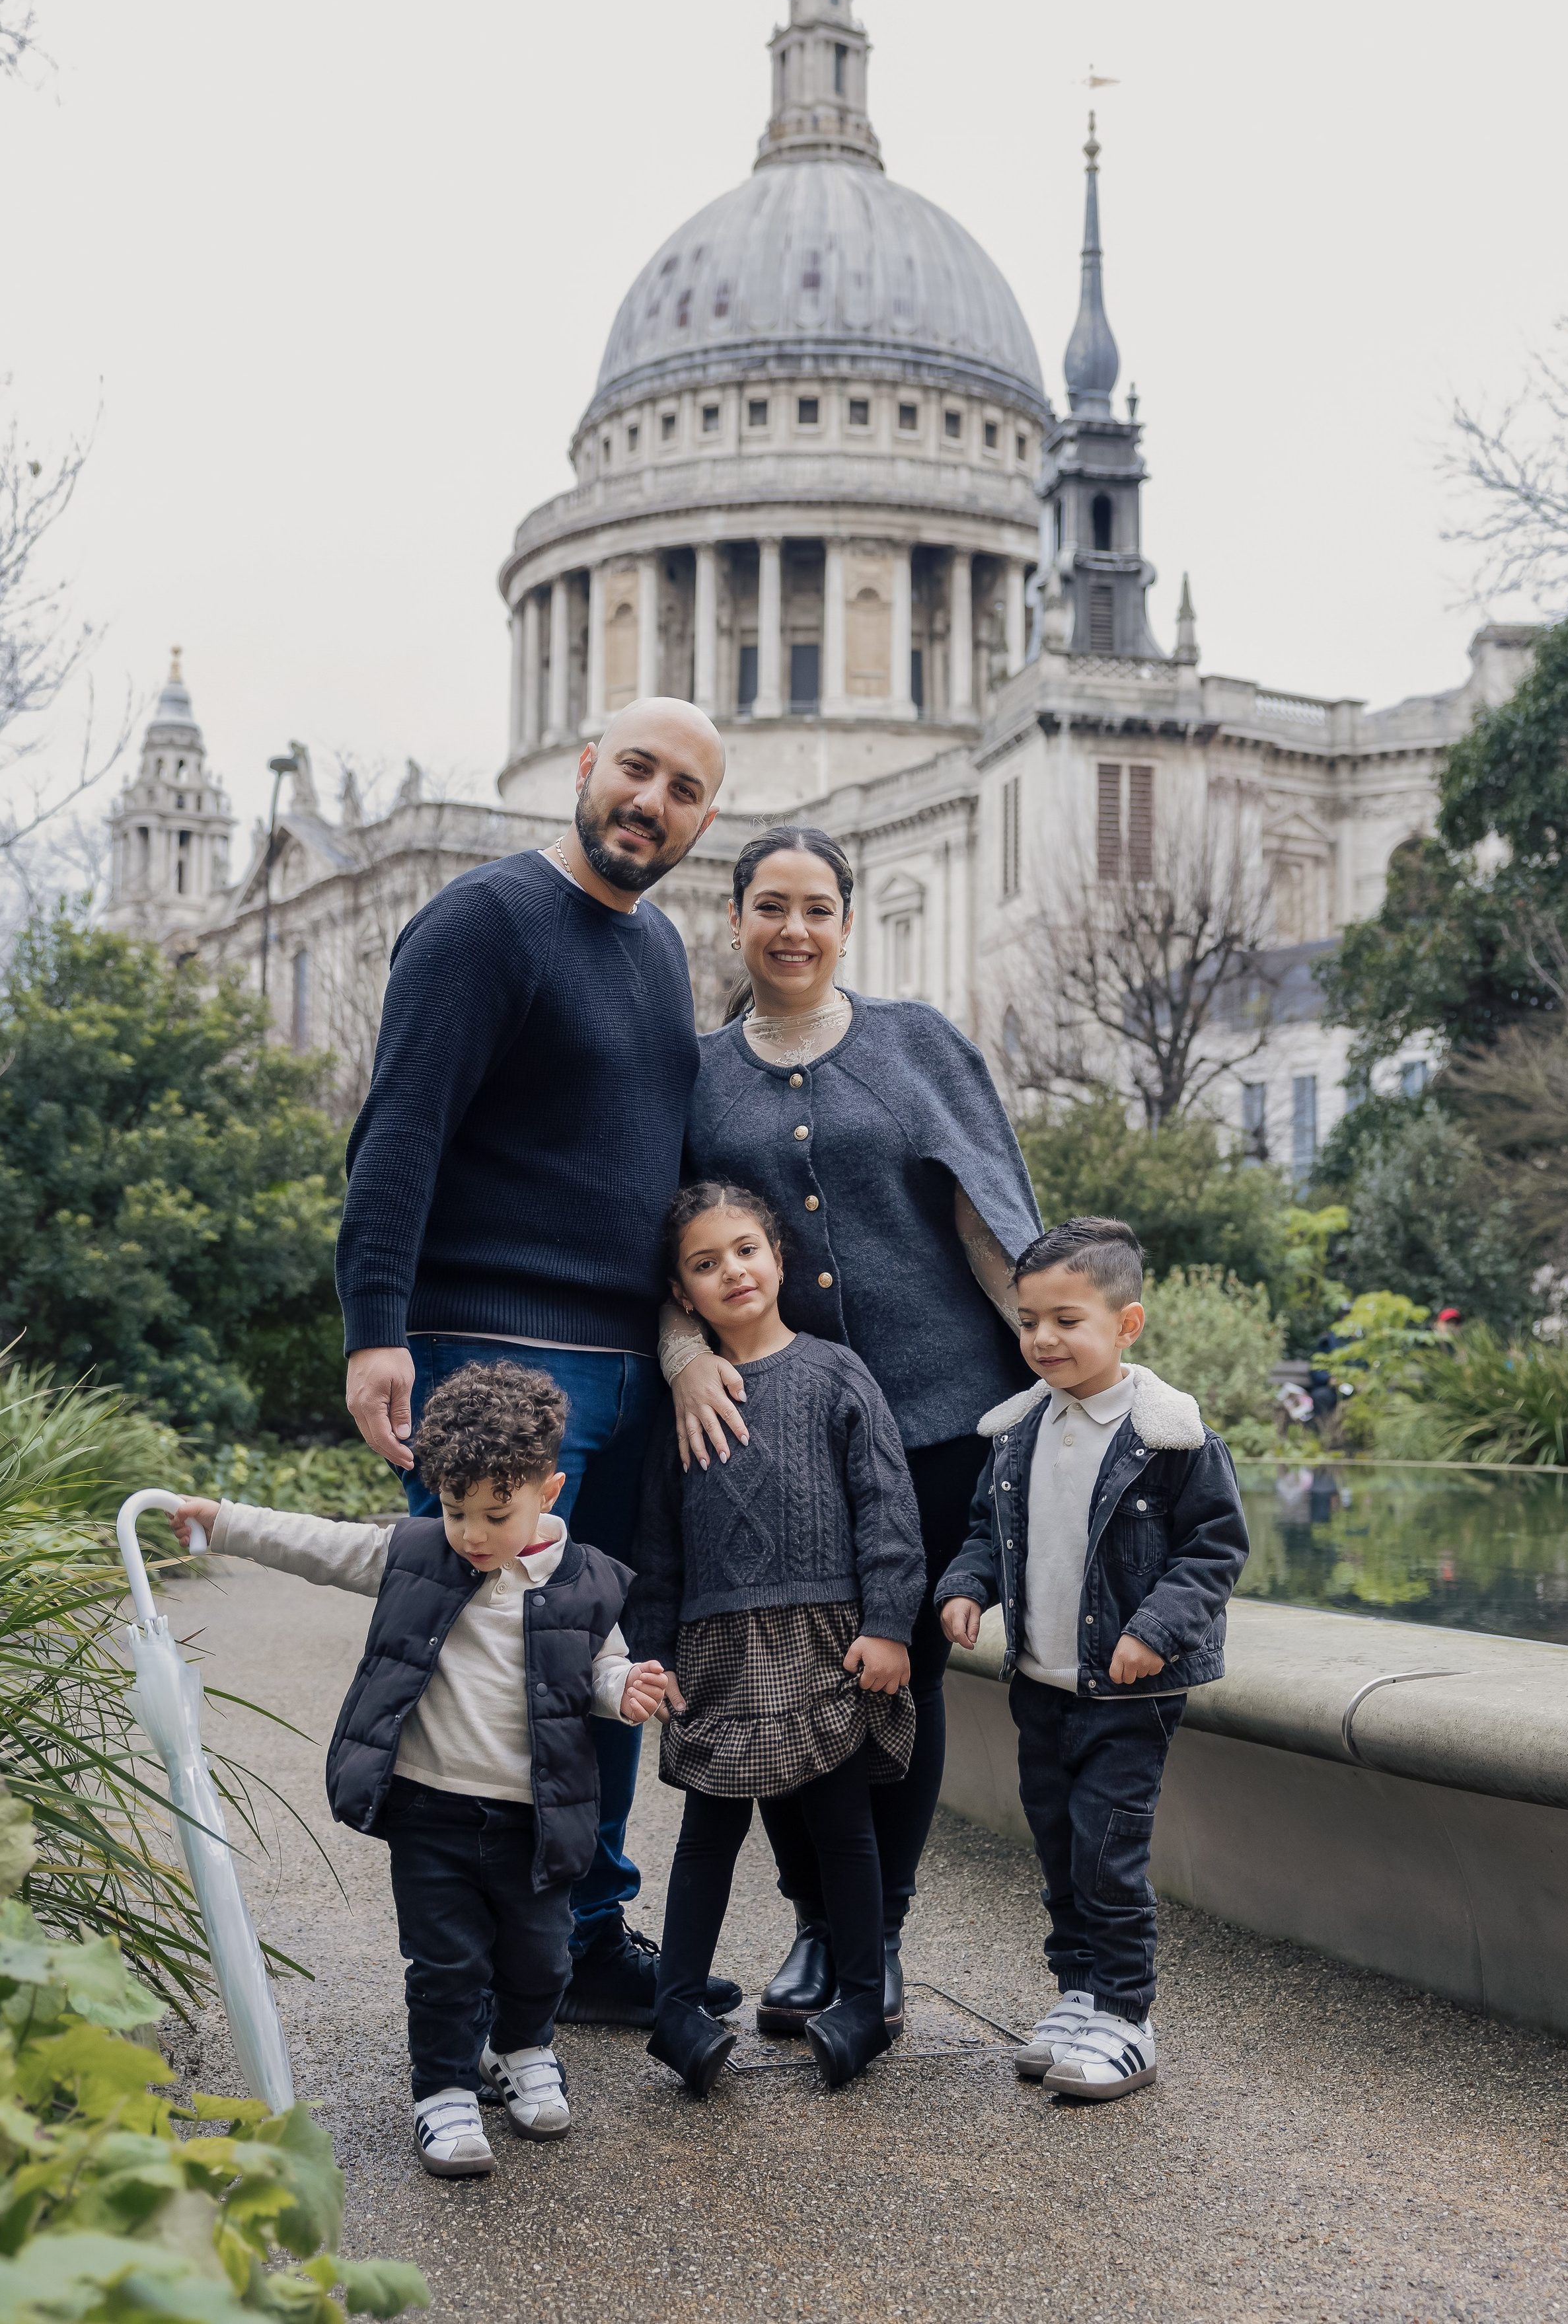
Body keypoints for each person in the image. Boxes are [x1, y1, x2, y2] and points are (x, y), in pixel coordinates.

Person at [336, 696, 739, 2027]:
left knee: (598, 1656)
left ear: (700, 818)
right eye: (634, 769)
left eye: (683, 788)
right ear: (582, 769)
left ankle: (579, 1928)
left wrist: (686, 1340)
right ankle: (480, 1973)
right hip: (489, 1360)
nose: (651, 801)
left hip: (624, 1365)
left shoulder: (658, 951)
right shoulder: (482, 921)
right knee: (486, 1676)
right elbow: (398, 1133)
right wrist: (373, 1326)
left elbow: (667, 1173)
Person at [667, 824, 1039, 2034]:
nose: (793, 930)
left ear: (846, 920)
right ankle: (817, 1923)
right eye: (770, 906)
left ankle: (873, 1939)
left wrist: (1058, 1375)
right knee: (781, 1671)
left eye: (817, 907)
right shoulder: (698, 1072)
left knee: (900, 1673)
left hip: (938, 1417)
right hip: (772, 1431)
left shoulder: (915, 1043)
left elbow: (993, 1220)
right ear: (735, 921)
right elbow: (658, 1246)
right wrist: (682, 1360)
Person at [168, 1362, 670, 2178]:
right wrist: (221, 1521)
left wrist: (628, 1691)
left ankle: (520, 2049)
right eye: (453, 1508)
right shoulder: (415, 1554)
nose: (471, 1532)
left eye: (494, 1513)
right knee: (446, 1963)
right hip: (431, 1812)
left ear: (550, 1490)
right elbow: (317, 1543)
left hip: (535, 1818)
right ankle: (442, 2088)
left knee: (543, 1957)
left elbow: (602, 1674)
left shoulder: (591, 1584)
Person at [937, 1215, 1250, 2102]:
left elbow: (1214, 1553)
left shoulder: (1171, 1440)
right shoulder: (1018, 1433)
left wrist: (1154, 1630)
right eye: (1030, 1321)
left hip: (1127, 1694)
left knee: (1109, 1852)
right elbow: (986, 1536)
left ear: (1127, 1324)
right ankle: (1078, 1993)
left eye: (1066, 1319)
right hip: (1040, 1684)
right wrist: (966, 1586)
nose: (1043, 1338)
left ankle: (1126, 2015)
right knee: (1060, 1846)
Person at [627, 1182, 925, 2095]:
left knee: (845, 1833)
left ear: (780, 1257)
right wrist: (652, 1651)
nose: (733, 1272)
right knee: (706, 1835)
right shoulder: (683, 1403)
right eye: (706, 1264)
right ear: (683, 1293)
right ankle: (676, 2008)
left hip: (824, 1639)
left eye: (747, 1250)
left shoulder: (837, 1372)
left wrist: (887, 1623)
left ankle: (862, 2005)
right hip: (716, 1651)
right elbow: (658, 1543)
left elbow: (887, 1509)